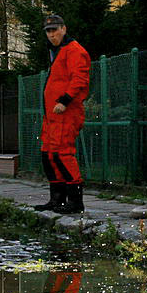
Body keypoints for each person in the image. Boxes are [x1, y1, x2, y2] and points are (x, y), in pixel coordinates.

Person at [33, 14, 91, 214]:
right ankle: (57, 199)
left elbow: (80, 78)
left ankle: (75, 202)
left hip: (65, 112)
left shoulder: (74, 50)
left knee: (63, 153)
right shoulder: (57, 51)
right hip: (53, 114)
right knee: (49, 154)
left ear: (64, 29)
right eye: (48, 31)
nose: (51, 34)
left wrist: (65, 100)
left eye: (54, 30)